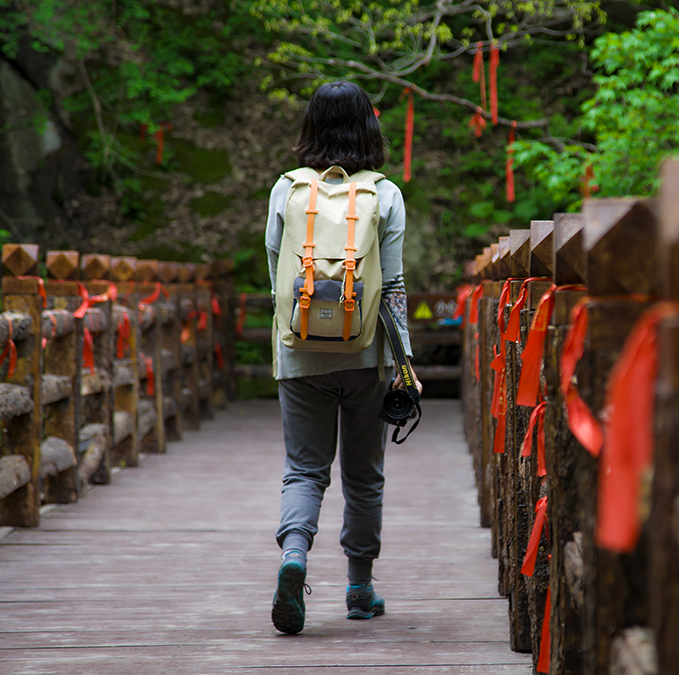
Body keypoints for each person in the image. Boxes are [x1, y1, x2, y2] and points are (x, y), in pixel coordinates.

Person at [264, 80, 421, 635]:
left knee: (304, 470)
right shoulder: (386, 194)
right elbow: (394, 286)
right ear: (369, 127)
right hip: (366, 357)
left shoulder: (286, 190)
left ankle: (293, 559)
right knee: (364, 475)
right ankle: (359, 588)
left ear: (310, 125)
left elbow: (278, 278)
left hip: (300, 354)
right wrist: (404, 361)